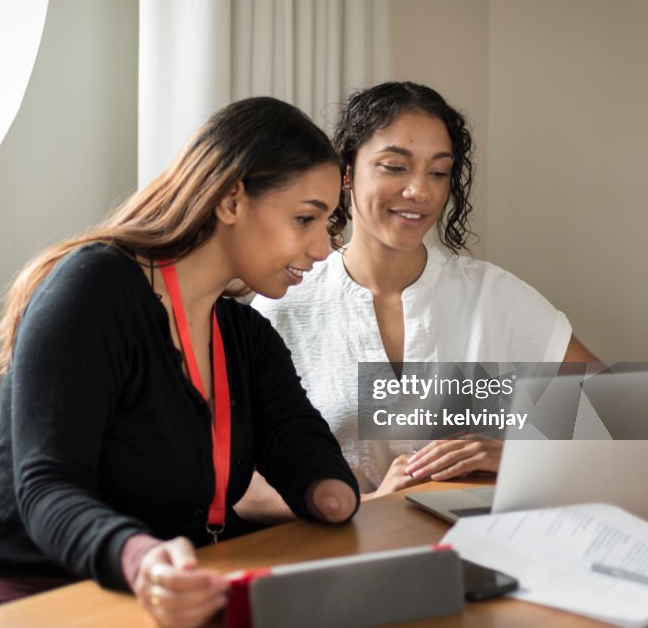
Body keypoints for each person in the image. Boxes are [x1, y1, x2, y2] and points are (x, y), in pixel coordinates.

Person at [0, 97, 360, 628]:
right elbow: (46, 488)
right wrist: (142, 560)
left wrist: (336, 495)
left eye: (327, 223)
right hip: (35, 589)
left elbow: (299, 443)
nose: (323, 248)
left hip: (179, 585)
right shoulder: (92, 291)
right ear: (232, 199)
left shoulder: (244, 334)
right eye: (305, 219)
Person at [249, 81, 598, 500]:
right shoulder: (284, 303)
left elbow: (626, 415)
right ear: (346, 172)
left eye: (438, 172)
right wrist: (364, 505)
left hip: (475, 541)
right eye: (395, 167)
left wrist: (520, 455)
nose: (421, 191)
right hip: (335, 546)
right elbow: (238, 483)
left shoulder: (495, 296)